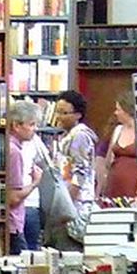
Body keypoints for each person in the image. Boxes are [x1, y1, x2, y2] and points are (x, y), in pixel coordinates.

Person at [53, 90, 99, 242]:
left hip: (77, 203)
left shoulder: (79, 136)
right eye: (57, 111)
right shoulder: (67, 135)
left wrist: (66, 204)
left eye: (64, 112)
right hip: (69, 199)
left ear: (78, 114)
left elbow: (80, 172)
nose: (58, 117)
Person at [5, 100, 43, 253]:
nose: (35, 129)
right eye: (32, 124)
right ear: (16, 125)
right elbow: (13, 198)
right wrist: (35, 182)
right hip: (13, 223)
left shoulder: (8, 145)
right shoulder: (14, 152)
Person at [98, 91, 137, 200]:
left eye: (118, 109)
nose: (115, 113)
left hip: (133, 187)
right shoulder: (118, 130)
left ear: (127, 110)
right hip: (114, 186)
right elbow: (108, 162)